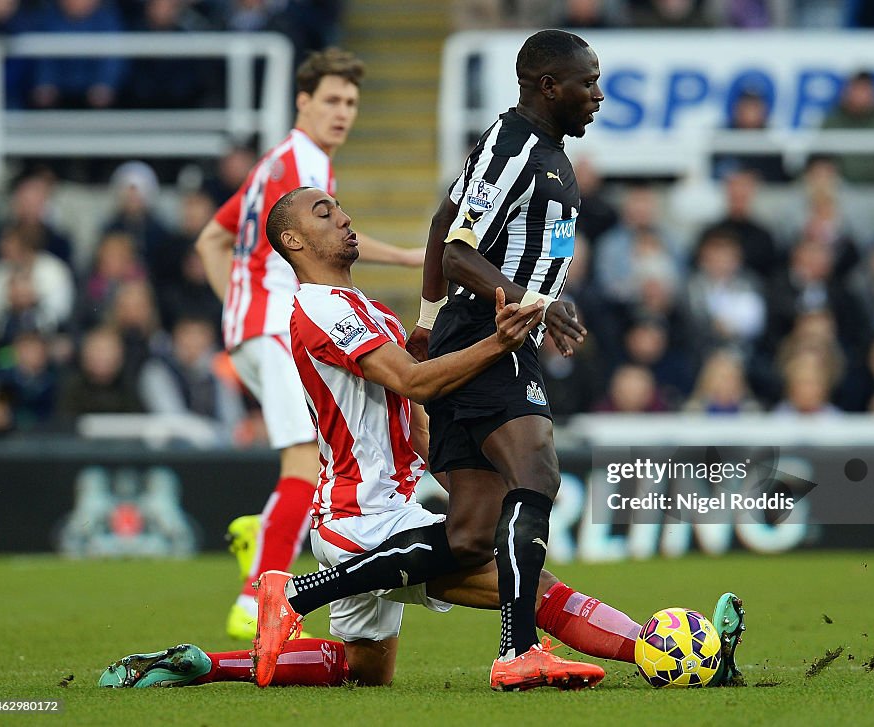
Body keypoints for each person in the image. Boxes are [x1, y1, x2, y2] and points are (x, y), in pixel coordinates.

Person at [100, 186, 742, 691]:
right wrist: (502, 339)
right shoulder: (319, 309)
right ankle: (667, 652)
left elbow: (414, 417)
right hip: (364, 513)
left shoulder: (366, 309)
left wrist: (459, 475)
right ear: (294, 239)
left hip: (381, 507)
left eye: (343, 209)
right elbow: (415, 381)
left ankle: (204, 665)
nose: (345, 219)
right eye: (326, 213)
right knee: (530, 581)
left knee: (365, 670)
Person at [254, 31, 743, 692]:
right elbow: (457, 249)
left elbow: (440, 223)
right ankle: (520, 649)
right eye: (587, 82)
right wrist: (531, 306)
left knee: (468, 536)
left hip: (484, 330)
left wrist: (427, 326)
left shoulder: (547, 157)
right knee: (536, 472)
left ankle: (302, 592)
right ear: (549, 85)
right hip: (491, 332)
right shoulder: (513, 146)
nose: (598, 95)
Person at [194, 48, 425, 640]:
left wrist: (235, 309)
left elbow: (210, 240)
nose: (342, 112)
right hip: (278, 326)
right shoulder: (303, 161)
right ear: (303, 101)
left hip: (252, 328)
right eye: (331, 100)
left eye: (351, 102)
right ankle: (257, 597)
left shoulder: (268, 163)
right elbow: (324, 237)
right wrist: (403, 255)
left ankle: (265, 532)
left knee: (316, 455)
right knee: (305, 457)